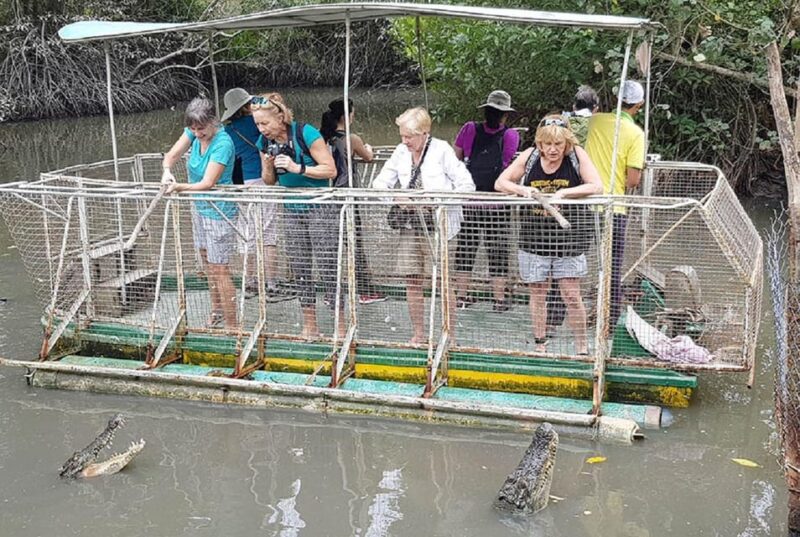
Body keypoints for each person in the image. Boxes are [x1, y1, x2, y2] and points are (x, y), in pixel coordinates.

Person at [495, 114, 602, 354]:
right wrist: (523, 190)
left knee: (571, 294)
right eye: (547, 144)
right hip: (534, 237)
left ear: (566, 143)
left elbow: (596, 185)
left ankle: (582, 347)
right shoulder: (530, 156)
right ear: (540, 144)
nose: (553, 150)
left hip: (569, 238)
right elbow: (501, 182)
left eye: (558, 144)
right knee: (537, 291)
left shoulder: (576, 155)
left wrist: (565, 194)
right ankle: (540, 343)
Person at [372, 107, 476, 345]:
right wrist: (397, 198)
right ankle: (418, 333)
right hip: (410, 226)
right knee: (411, 279)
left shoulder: (441, 150)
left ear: (424, 133)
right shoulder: (400, 151)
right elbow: (379, 184)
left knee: (442, 281)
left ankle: (449, 334)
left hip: (440, 228)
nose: (404, 141)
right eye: (402, 135)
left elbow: (467, 185)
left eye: (409, 136)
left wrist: (435, 200)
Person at [250, 92, 342, 339]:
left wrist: (297, 167)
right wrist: (269, 165)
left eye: (265, 123)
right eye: (257, 124)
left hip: (320, 206)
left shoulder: (306, 132)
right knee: (300, 266)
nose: (262, 129)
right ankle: (310, 325)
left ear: (280, 117)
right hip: (291, 208)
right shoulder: (263, 142)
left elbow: (330, 169)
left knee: (328, 265)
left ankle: (341, 325)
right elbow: (269, 182)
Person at [161, 97, 238, 329]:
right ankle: (216, 310)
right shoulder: (193, 133)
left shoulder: (223, 143)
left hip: (219, 211)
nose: (197, 133)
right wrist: (167, 172)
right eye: (193, 129)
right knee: (208, 263)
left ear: (213, 122)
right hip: (199, 208)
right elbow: (171, 156)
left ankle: (234, 326)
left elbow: (208, 182)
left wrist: (179, 187)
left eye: (201, 128)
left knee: (220, 268)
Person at [220, 87, 292, 302]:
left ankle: (249, 282)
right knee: (267, 231)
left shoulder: (227, 131)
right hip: (261, 179)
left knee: (246, 233)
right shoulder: (258, 122)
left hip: (239, 184)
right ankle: (271, 284)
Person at [585, 80, 646, 327]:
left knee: (571, 260)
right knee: (612, 267)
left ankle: (557, 316)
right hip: (614, 207)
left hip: (585, 204)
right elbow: (633, 180)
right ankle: (608, 322)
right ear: (638, 105)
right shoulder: (636, 134)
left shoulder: (594, 121)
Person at [452, 90, 520, 312]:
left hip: (469, 200)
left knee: (465, 249)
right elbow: (509, 164)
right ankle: (499, 300)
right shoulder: (511, 136)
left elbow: (456, 160)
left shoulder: (469, 129)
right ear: (505, 115)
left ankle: (462, 297)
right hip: (496, 202)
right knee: (498, 250)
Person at [320, 97, 386, 305]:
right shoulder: (351, 138)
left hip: (327, 196)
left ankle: (332, 292)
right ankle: (364, 290)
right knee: (354, 243)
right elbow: (368, 157)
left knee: (331, 245)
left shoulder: (322, 138)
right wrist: (368, 147)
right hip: (347, 194)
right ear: (346, 116)